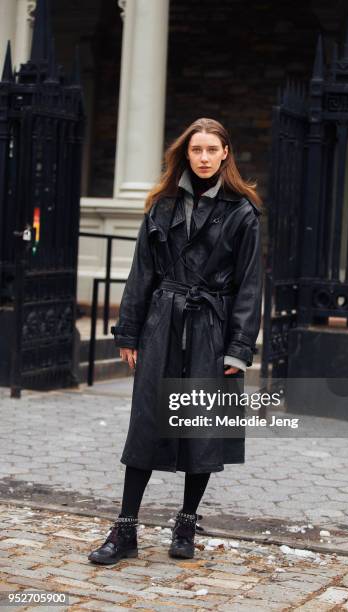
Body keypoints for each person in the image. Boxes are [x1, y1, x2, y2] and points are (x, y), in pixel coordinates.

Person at [88, 117, 263, 565]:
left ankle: (185, 525)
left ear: (226, 153)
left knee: (202, 431)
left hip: (212, 327)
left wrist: (240, 349)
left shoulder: (243, 211)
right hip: (162, 323)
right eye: (196, 150)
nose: (203, 157)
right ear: (185, 154)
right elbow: (141, 273)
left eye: (211, 150)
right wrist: (129, 331)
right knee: (147, 423)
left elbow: (249, 285)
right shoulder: (161, 205)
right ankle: (124, 531)